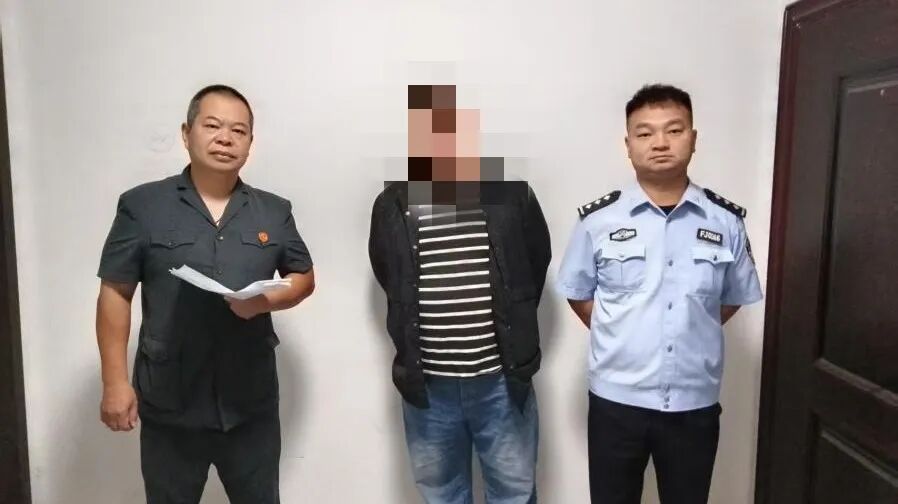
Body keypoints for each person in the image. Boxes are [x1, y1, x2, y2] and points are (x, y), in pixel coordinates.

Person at [95, 84, 315, 503]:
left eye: (239, 131)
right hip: (169, 402)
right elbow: (115, 292)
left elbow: (303, 277)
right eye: (212, 126)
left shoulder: (274, 211)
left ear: (250, 143)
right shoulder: (142, 207)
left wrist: (265, 301)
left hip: (250, 405)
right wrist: (115, 382)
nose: (225, 138)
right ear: (187, 133)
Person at [555, 84, 763, 504]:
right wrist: (625, 332)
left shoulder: (725, 221)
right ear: (628, 145)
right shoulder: (598, 220)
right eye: (645, 133)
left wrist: (690, 324)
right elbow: (579, 294)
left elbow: (730, 298)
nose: (661, 143)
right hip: (616, 401)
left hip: (693, 403)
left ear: (693, 138)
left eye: (674, 129)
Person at [368, 84, 550, 503]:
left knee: (515, 492)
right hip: (428, 386)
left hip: (501, 381)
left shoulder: (511, 196)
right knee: (442, 494)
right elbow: (389, 274)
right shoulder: (392, 203)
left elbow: (532, 268)